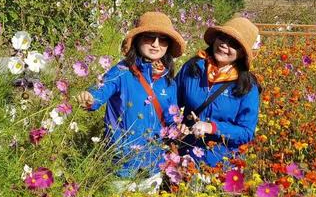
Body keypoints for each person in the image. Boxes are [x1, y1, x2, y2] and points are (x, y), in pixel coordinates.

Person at [77, 11, 186, 181]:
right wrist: (89, 97)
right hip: (121, 163)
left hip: (153, 165)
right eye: (150, 37)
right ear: (138, 39)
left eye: (163, 40)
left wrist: (179, 129)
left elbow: (171, 119)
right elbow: (100, 91)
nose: (156, 45)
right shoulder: (122, 72)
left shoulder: (168, 82)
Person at [175, 17, 261, 168]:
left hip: (221, 163)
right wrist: (177, 123)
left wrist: (212, 127)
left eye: (233, 44)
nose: (224, 45)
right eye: (222, 37)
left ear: (241, 53)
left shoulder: (247, 85)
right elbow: (171, 103)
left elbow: (247, 132)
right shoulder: (192, 68)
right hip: (185, 156)